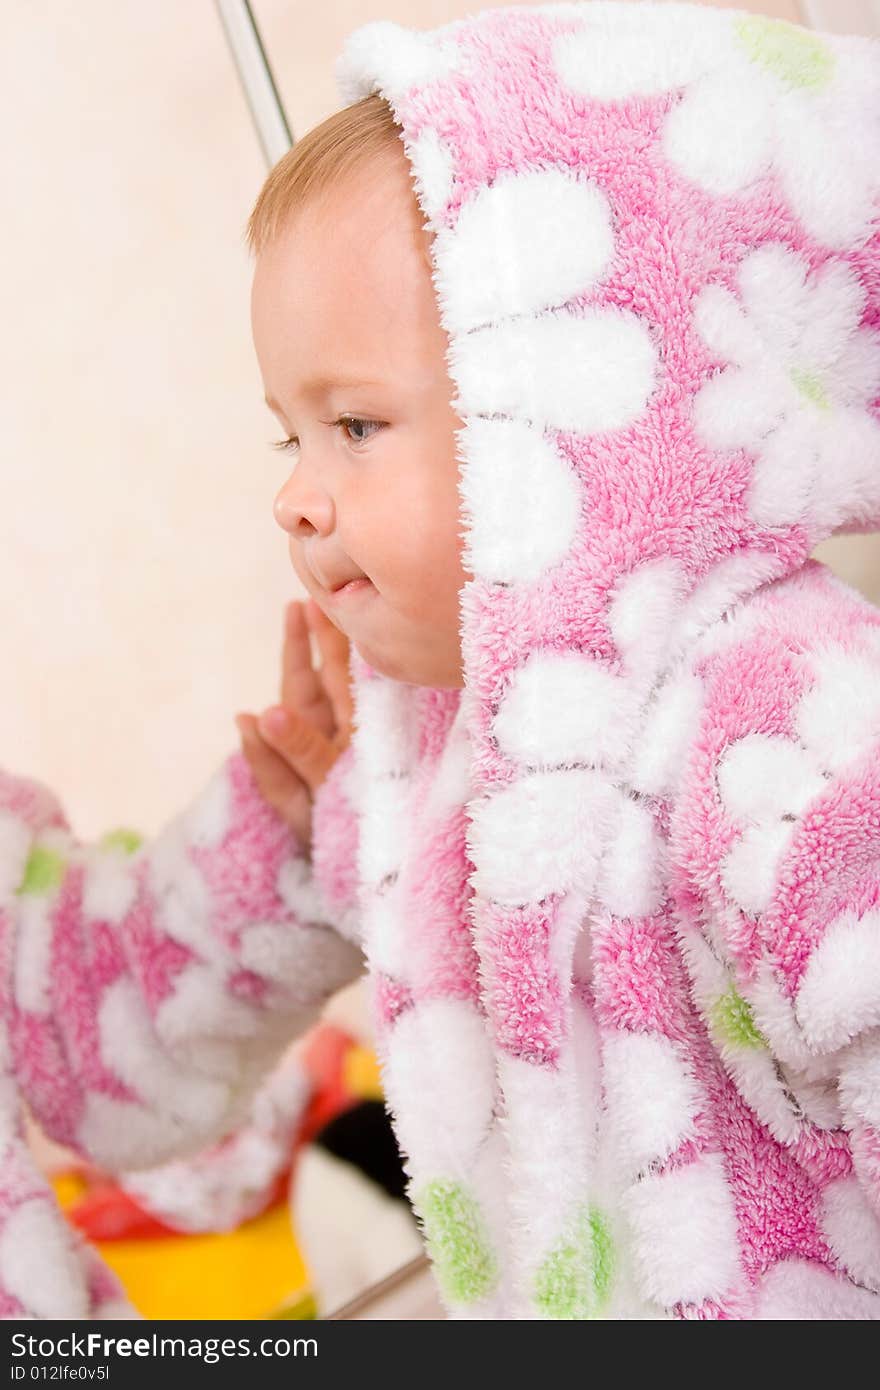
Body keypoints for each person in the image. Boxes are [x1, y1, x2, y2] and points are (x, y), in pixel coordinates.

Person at [3, 1, 880, 1319]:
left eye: (353, 422)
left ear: (586, 419)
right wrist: (313, 828)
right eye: (285, 438)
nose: (295, 501)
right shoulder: (426, 768)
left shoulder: (795, 736)